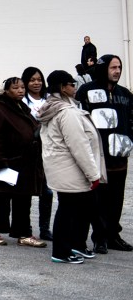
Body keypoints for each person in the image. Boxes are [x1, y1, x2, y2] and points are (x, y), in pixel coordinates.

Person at [40, 70, 106, 264]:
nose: (75, 87)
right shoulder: (66, 112)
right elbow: (78, 145)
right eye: (71, 84)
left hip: (63, 168)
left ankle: (74, 245)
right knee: (68, 210)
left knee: (77, 209)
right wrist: (93, 174)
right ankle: (61, 252)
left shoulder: (54, 106)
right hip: (70, 168)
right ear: (62, 87)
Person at [76, 54, 133, 253]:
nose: (117, 71)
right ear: (103, 69)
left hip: (119, 158)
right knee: (98, 201)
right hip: (97, 158)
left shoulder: (125, 94)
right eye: (113, 67)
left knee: (117, 200)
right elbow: (80, 120)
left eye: (119, 67)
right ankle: (99, 237)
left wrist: (129, 139)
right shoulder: (86, 91)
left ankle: (113, 236)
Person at [0, 77, 46, 247]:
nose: (21, 90)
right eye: (16, 88)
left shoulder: (21, 107)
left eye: (22, 87)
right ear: (6, 90)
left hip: (24, 163)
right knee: (0, 198)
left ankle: (23, 233)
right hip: (5, 163)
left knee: (23, 199)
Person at [22, 66, 54, 241]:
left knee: (47, 192)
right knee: (26, 192)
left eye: (39, 79)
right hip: (29, 152)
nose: (36, 83)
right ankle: (25, 227)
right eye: (32, 80)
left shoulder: (49, 100)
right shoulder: (23, 102)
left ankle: (45, 228)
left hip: (47, 150)